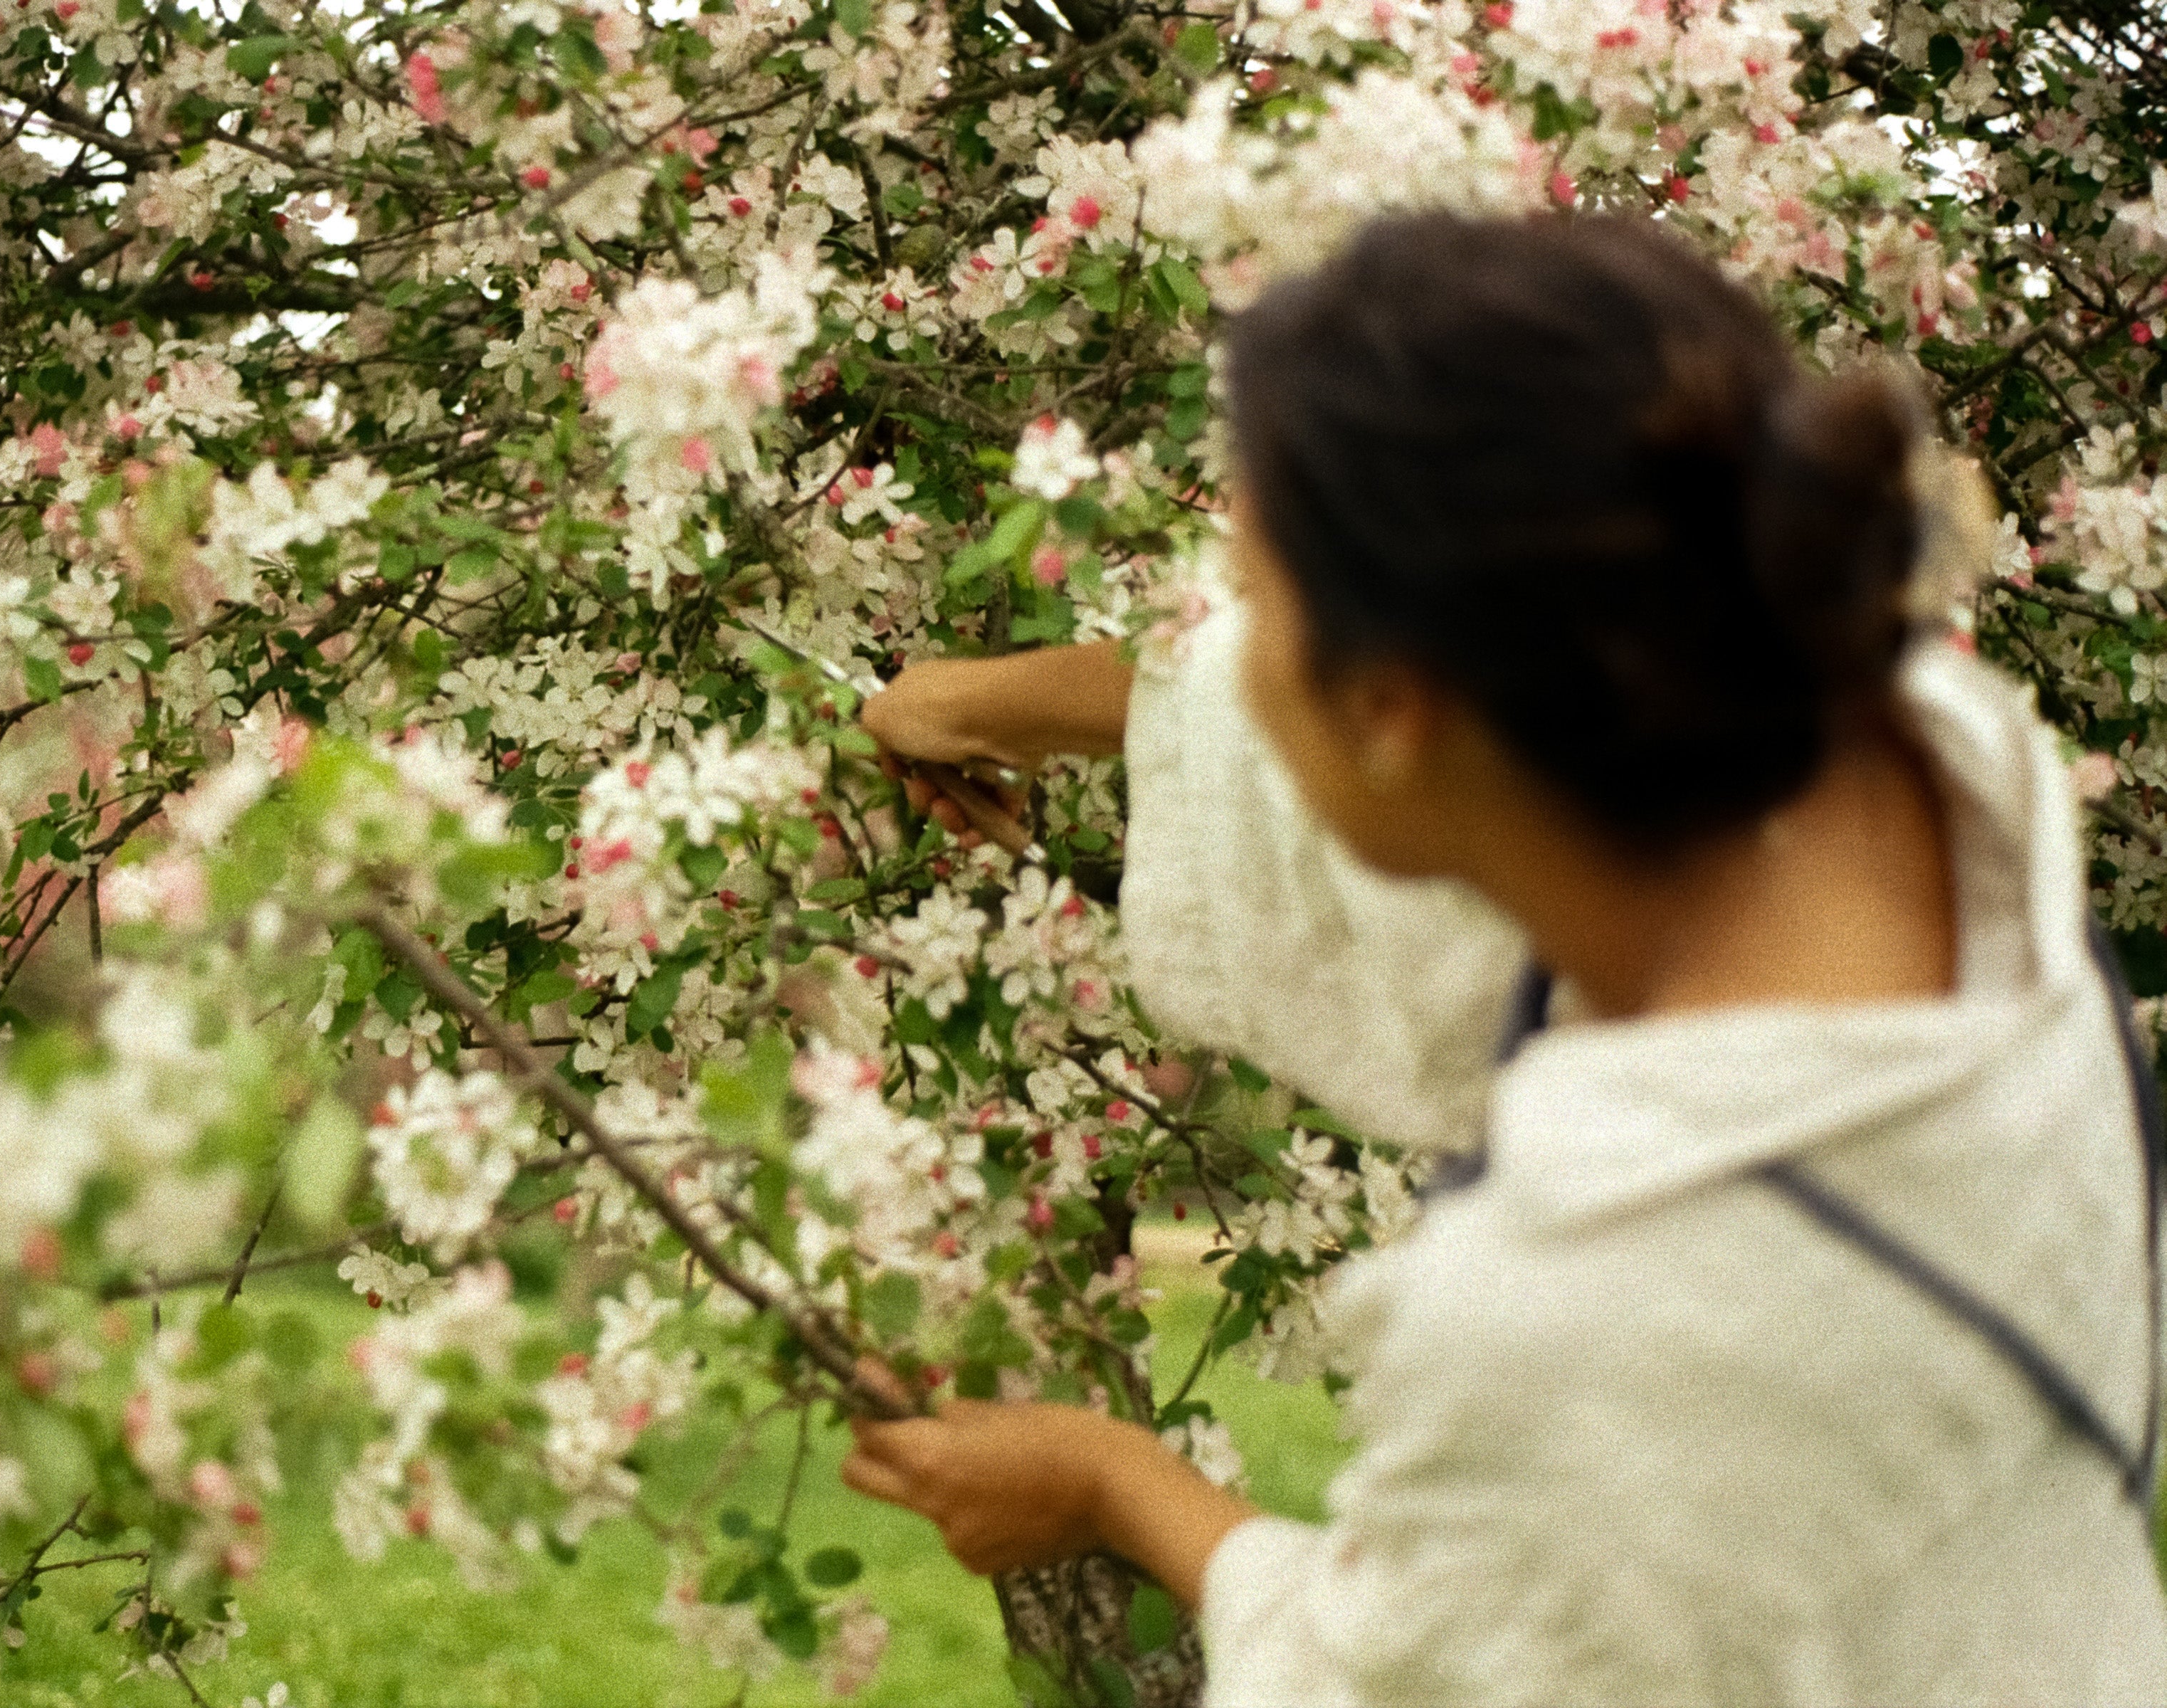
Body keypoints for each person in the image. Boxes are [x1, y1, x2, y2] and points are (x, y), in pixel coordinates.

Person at [842, 212, 2167, 1705]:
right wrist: (983, 703)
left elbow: (1377, 1675)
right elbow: (1291, 723)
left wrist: (1105, 1480)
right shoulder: (1920, 762)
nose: (1212, 649)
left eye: (1250, 601)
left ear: (1397, 704)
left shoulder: (1580, 1302)